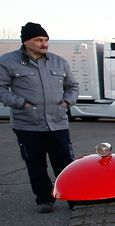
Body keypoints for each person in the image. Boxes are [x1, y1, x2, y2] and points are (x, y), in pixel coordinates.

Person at [0, 23, 79, 213]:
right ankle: (44, 199)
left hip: (57, 123)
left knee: (65, 163)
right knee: (35, 164)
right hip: (28, 124)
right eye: (38, 40)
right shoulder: (8, 62)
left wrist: (66, 104)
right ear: (26, 42)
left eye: (45, 40)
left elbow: (72, 87)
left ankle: (72, 197)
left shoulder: (59, 62)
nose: (44, 44)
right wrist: (21, 103)